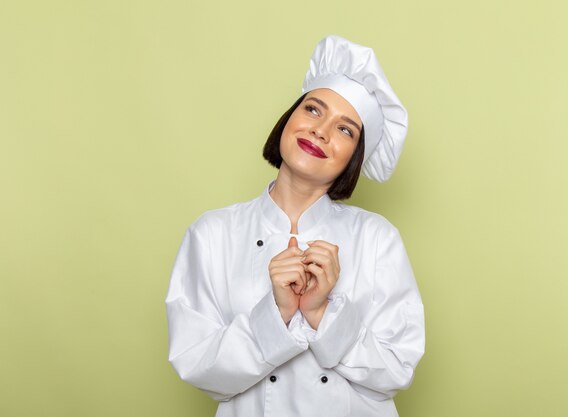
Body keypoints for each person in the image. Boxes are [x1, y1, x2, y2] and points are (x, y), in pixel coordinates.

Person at [166, 35, 425, 417]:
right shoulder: (212, 234)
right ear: (290, 118)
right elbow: (197, 364)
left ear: (355, 157)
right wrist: (278, 314)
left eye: (345, 129)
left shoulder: (377, 239)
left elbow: (397, 368)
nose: (320, 132)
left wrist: (322, 313)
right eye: (314, 110)